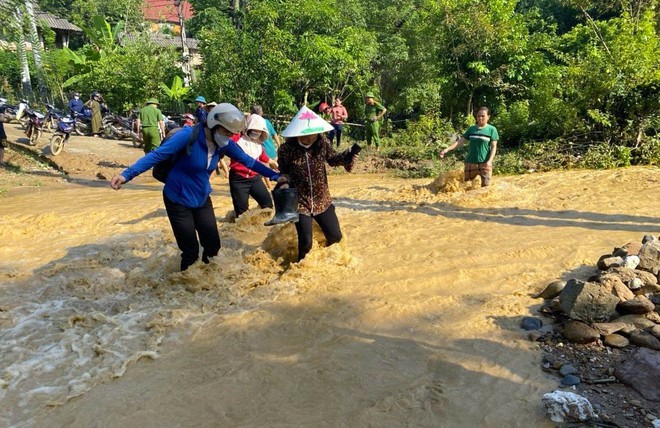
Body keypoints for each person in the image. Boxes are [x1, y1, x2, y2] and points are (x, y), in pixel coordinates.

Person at [110, 103, 281, 271]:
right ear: (214, 124)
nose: (229, 137)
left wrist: (275, 176)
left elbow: (249, 161)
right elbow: (156, 156)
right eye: (226, 132)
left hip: (201, 198)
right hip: (177, 199)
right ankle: (184, 290)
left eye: (232, 134)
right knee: (190, 252)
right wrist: (126, 175)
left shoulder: (224, 143)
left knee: (213, 247)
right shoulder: (187, 136)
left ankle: (206, 284)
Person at [276, 105, 360, 262]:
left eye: (313, 135)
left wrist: (347, 156)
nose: (309, 138)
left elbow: (333, 159)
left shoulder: (322, 143)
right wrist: (283, 183)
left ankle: (327, 264)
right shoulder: (285, 149)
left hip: (322, 199)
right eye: (305, 135)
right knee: (306, 243)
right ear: (296, 134)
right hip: (300, 202)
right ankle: (300, 269)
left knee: (335, 236)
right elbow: (283, 171)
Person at [228, 114, 278, 217]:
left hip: (255, 178)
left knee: (267, 205)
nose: (257, 133)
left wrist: (272, 162)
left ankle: (260, 228)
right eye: (254, 130)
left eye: (259, 131)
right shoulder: (237, 138)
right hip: (238, 179)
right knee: (242, 213)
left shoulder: (258, 144)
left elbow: (262, 156)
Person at [439, 106, 499, 187]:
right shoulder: (471, 129)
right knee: (466, 187)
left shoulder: (492, 130)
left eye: (483, 116)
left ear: (488, 117)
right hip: (470, 163)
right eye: (478, 116)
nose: (480, 118)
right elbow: (460, 141)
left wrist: (490, 161)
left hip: (485, 163)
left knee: (486, 188)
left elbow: (494, 147)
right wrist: (447, 149)